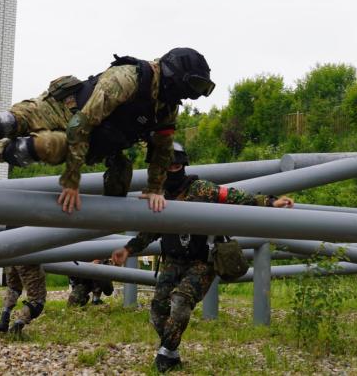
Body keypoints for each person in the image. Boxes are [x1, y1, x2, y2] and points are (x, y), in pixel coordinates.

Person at [0, 48, 215, 212]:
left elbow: (161, 148)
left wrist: (156, 188)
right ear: (173, 76)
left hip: (97, 143)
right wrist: (70, 182)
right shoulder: (127, 79)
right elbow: (81, 124)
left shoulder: (166, 106)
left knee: (42, 147)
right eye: (186, 89)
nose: (185, 98)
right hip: (62, 110)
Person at [111, 143, 294, 373]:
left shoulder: (201, 189)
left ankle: (165, 355)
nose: (172, 169)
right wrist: (128, 249)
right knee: (157, 311)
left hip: (202, 261)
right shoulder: (158, 196)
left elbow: (233, 196)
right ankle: (172, 351)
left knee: (180, 302)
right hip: (172, 261)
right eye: (167, 165)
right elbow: (151, 231)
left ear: (183, 165)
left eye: (176, 165)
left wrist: (270, 202)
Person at [0, 264, 47, 337]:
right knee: (37, 301)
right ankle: (16, 328)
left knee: (13, 288)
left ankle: (4, 319)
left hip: (10, 258)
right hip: (27, 259)